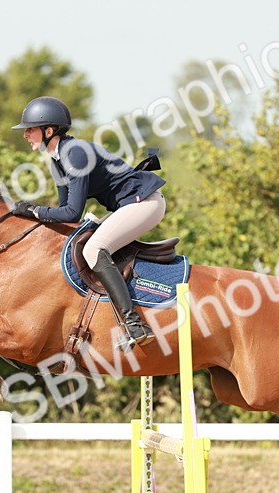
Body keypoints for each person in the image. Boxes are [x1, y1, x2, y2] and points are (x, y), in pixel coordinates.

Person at [10, 96, 164, 349]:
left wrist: (34, 211)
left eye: (30, 129)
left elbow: (71, 212)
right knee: (76, 242)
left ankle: (133, 323)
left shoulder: (75, 153)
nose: (25, 134)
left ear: (49, 131)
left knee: (93, 249)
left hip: (145, 203)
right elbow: (66, 214)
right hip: (129, 206)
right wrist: (35, 216)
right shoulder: (58, 160)